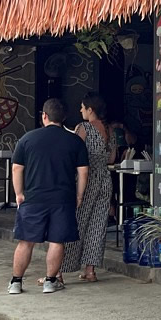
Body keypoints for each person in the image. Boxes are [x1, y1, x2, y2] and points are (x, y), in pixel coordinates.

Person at [10, 98, 89, 295]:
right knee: (57, 240)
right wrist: (79, 196)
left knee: (26, 241)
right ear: (63, 118)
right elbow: (83, 172)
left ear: (44, 116)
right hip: (63, 199)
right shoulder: (75, 140)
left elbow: (17, 168)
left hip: (33, 198)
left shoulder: (27, 139)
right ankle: (50, 282)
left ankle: (16, 283)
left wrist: (19, 194)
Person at [63, 94, 116, 283]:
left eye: (82, 107)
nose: (80, 111)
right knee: (98, 225)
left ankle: (61, 270)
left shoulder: (83, 128)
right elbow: (111, 159)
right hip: (105, 179)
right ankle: (90, 271)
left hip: (86, 180)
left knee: (77, 222)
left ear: (90, 109)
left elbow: (74, 154)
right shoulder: (109, 130)